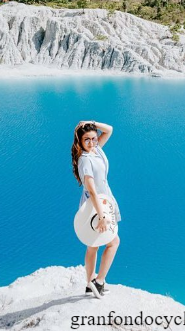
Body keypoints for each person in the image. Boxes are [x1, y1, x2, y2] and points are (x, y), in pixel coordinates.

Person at [71, 120, 121, 298]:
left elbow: (110, 129)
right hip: (96, 205)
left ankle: (89, 283)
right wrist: (101, 216)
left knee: (93, 245)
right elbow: (91, 189)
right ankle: (98, 282)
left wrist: (91, 123)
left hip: (102, 200)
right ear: (80, 141)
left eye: (93, 138)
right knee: (113, 242)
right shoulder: (84, 159)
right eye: (87, 140)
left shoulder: (96, 150)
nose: (92, 142)